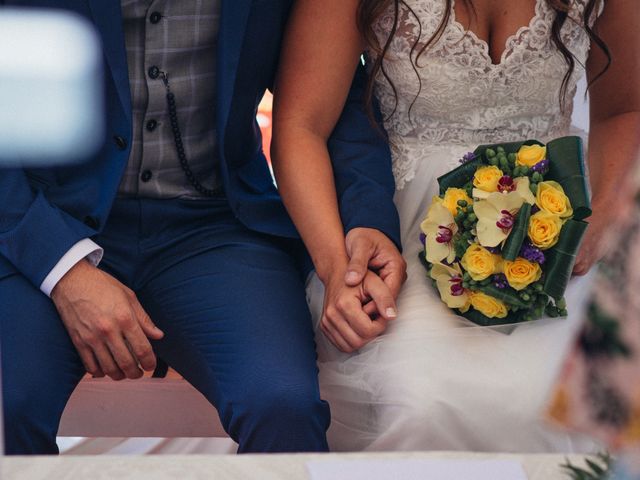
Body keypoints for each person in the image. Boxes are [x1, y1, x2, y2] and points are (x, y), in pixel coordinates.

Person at [0, 0, 406, 455]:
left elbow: (333, 99)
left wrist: (367, 223)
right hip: (43, 223)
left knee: (282, 405)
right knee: (10, 406)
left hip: (213, 228)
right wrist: (65, 270)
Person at [271, 0, 640, 451]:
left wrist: (598, 219)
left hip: (559, 218)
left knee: (575, 395)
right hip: (408, 229)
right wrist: (336, 268)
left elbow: (624, 110)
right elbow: (301, 127)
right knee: (426, 402)